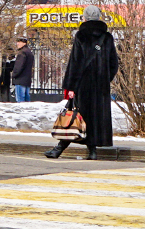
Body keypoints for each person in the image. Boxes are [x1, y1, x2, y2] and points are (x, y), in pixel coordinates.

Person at [47, 8, 121, 160]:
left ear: (85, 18)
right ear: (99, 17)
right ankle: (92, 152)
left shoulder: (81, 35)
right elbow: (114, 63)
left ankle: (59, 149)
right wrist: (105, 78)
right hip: (101, 87)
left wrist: (71, 86)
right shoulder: (107, 37)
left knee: (76, 115)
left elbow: (75, 62)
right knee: (95, 117)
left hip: (83, 84)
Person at [11, 37, 36, 103]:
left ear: (24, 43)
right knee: (27, 99)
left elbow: (19, 66)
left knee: (20, 100)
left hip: (20, 79)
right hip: (27, 79)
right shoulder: (29, 52)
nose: (17, 44)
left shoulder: (22, 53)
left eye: (19, 42)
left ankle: (22, 113)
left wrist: (14, 75)